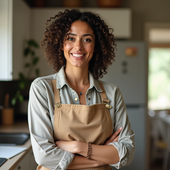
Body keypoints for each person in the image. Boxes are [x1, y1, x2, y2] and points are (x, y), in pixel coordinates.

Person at [28, 9, 135, 170]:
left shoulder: (112, 93)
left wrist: (79, 147)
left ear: (95, 46)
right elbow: (44, 155)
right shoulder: (42, 88)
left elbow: (126, 153)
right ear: (61, 44)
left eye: (87, 39)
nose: (78, 46)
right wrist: (101, 158)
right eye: (71, 38)